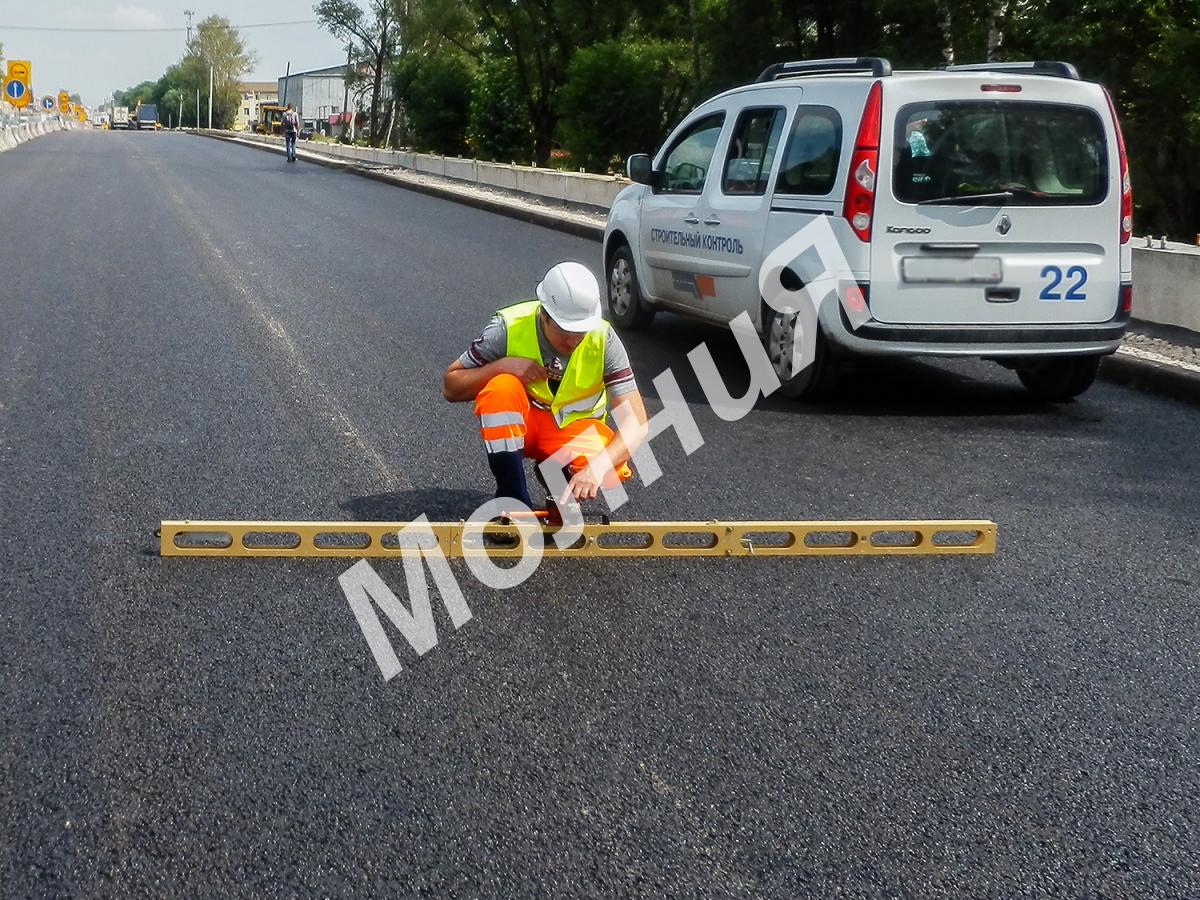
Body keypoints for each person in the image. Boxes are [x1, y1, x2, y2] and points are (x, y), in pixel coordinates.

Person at [443, 262, 649, 516]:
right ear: (544, 315)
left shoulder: (603, 339)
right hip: (523, 427)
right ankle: (512, 499)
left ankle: (556, 478)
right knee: (500, 388)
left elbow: (635, 423)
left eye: (580, 331)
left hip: (568, 433)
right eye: (565, 330)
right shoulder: (508, 327)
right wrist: (503, 366)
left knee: (613, 465)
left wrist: (596, 468)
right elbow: (451, 386)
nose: (573, 340)